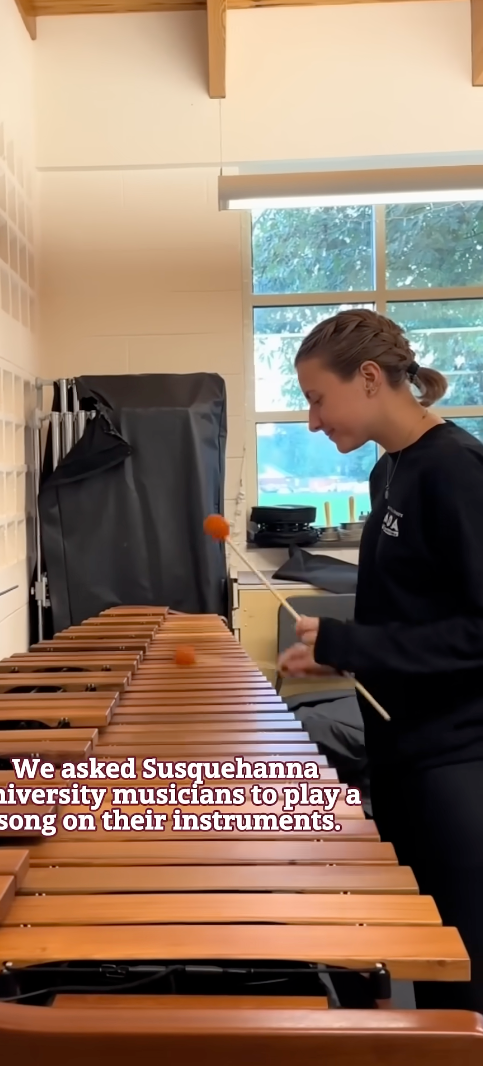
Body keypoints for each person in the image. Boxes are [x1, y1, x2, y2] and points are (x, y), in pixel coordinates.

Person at [277, 308, 483, 1014]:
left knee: (467, 974)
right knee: (429, 965)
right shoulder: (387, 472)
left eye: (315, 397)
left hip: (458, 762)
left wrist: (350, 645)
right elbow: (415, 620)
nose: (311, 419)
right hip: (398, 749)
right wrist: (338, 661)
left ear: (368, 378)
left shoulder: (455, 471)